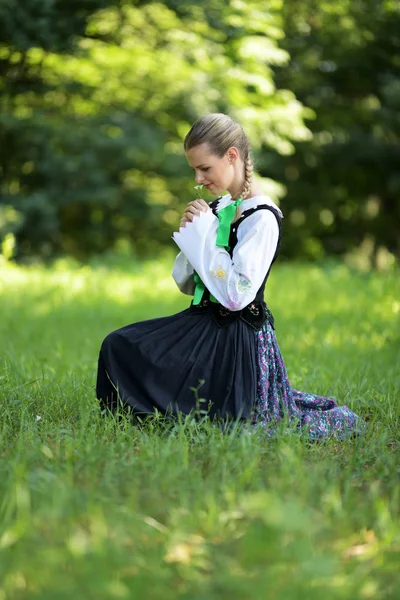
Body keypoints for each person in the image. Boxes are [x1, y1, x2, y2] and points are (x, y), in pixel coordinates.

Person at [96, 113, 364, 440]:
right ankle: (139, 418)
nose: (198, 178)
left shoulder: (262, 218)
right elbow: (186, 283)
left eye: (204, 168)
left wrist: (206, 235)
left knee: (229, 423)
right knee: (120, 345)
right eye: (194, 169)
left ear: (232, 156)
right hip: (202, 322)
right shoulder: (220, 207)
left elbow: (236, 296)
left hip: (238, 337)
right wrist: (192, 234)